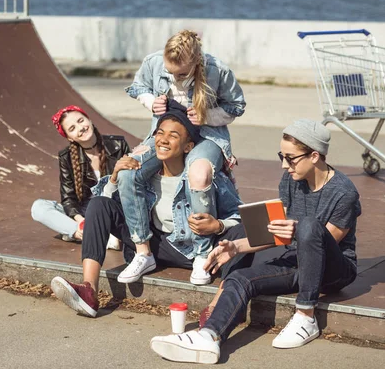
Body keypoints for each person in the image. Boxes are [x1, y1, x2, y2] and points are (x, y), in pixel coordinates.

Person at [150, 119, 361, 364]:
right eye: (282, 156)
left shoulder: (344, 192)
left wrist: (296, 230)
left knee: (309, 225)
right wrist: (237, 247)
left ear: (314, 156)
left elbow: (323, 244)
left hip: (335, 271)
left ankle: (306, 316)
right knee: (240, 278)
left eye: (290, 158)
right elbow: (280, 232)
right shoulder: (292, 181)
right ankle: (208, 336)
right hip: (298, 263)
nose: (284, 165)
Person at [50, 109, 253, 318]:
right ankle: (88, 290)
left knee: (240, 235)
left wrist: (217, 225)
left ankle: (217, 309)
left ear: (188, 146)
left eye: (173, 136)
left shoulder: (207, 179)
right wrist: (115, 177)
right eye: (159, 133)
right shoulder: (141, 176)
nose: (163, 140)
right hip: (153, 246)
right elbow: (104, 208)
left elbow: (239, 218)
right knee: (99, 205)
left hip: (192, 253)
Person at [118, 29, 247, 285]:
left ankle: (201, 254)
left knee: (198, 173)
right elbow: (137, 87)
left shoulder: (217, 70)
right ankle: (143, 252)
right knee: (128, 173)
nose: (174, 77)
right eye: (170, 72)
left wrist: (207, 116)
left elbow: (237, 106)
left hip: (207, 136)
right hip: (166, 132)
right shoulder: (154, 62)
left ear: (196, 62)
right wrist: (150, 101)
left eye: (181, 73)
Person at [31, 105, 130, 250]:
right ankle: (85, 233)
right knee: (39, 207)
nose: (80, 128)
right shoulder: (67, 157)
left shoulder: (118, 144)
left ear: (89, 120)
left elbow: (130, 185)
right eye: (72, 129)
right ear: (69, 138)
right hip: (85, 214)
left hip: (113, 210)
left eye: (80, 121)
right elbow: (68, 199)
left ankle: (86, 233)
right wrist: (81, 221)